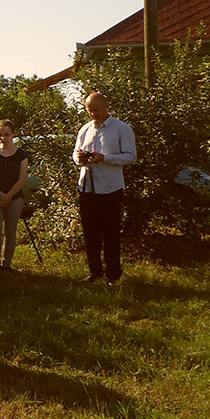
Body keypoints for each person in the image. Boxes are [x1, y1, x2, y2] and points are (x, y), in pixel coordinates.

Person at [74, 92, 136, 284]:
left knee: (110, 233)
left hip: (110, 188)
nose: (93, 114)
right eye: (90, 111)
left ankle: (113, 275)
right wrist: (81, 158)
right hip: (87, 188)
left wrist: (105, 158)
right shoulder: (85, 129)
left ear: (106, 106)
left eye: (97, 110)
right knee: (90, 233)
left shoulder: (121, 128)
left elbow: (130, 156)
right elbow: (75, 155)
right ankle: (95, 272)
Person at [0, 119, 29, 273]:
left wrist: (8, 196)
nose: (3, 138)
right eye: (0, 135)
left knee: (10, 232)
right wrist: (1, 195)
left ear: (14, 134)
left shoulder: (21, 155)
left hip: (15, 198)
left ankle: (7, 264)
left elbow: (22, 178)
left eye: (7, 134)